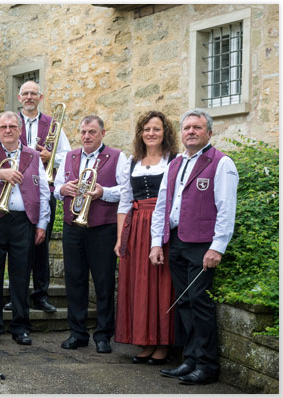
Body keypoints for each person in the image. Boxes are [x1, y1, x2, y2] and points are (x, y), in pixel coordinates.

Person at [149, 109, 238, 385]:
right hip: (176, 241)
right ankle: (190, 359)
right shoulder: (175, 163)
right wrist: (157, 242)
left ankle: (207, 366)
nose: (191, 131)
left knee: (199, 303)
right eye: (187, 127)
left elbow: (226, 209)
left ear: (209, 132)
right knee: (184, 303)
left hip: (202, 245)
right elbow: (162, 204)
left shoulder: (221, 163)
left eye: (197, 127)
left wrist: (218, 247)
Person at [0, 111, 50, 346]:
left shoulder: (33, 155)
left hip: (23, 221)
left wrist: (41, 223)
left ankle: (21, 327)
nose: (7, 130)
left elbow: (43, 191)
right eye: (3, 127)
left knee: (21, 274)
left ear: (20, 129)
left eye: (12, 126)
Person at [54, 115, 127, 353]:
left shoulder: (117, 157)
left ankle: (104, 335)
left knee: (104, 281)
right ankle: (78, 333)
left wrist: (102, 192)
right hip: (73, 226)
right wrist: (63, 189)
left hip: (102, 227)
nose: (87, 136)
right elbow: (56, 187)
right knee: (74, 280)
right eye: (84, 132)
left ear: (102, 134)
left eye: (92, 132)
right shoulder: (69, 156)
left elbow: (126, 191)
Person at [114, 111, 178, 365]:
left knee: (161, 284)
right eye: (147, 129)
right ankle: (143, 340)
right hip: (136, 226)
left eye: (156, 129)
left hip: (162, 225)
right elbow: (124, 202)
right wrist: (120, 239)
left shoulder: (174, 161)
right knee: (138, 284)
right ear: (141, 134)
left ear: (165, 133)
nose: (151, 133)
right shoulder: (132, 162)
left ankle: (161, 342)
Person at [5, 80, 72, 313]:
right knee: (16, 247)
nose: (30, 97)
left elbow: (68, 156)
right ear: (19, 97)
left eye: (34, 93)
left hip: (44, 190)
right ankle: (17, 295)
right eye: (26, 93)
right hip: (15, 192)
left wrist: (48, 157)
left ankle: (40, 294)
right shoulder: (10, 123)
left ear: (40, 97)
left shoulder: (53, 124)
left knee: (41, 245)